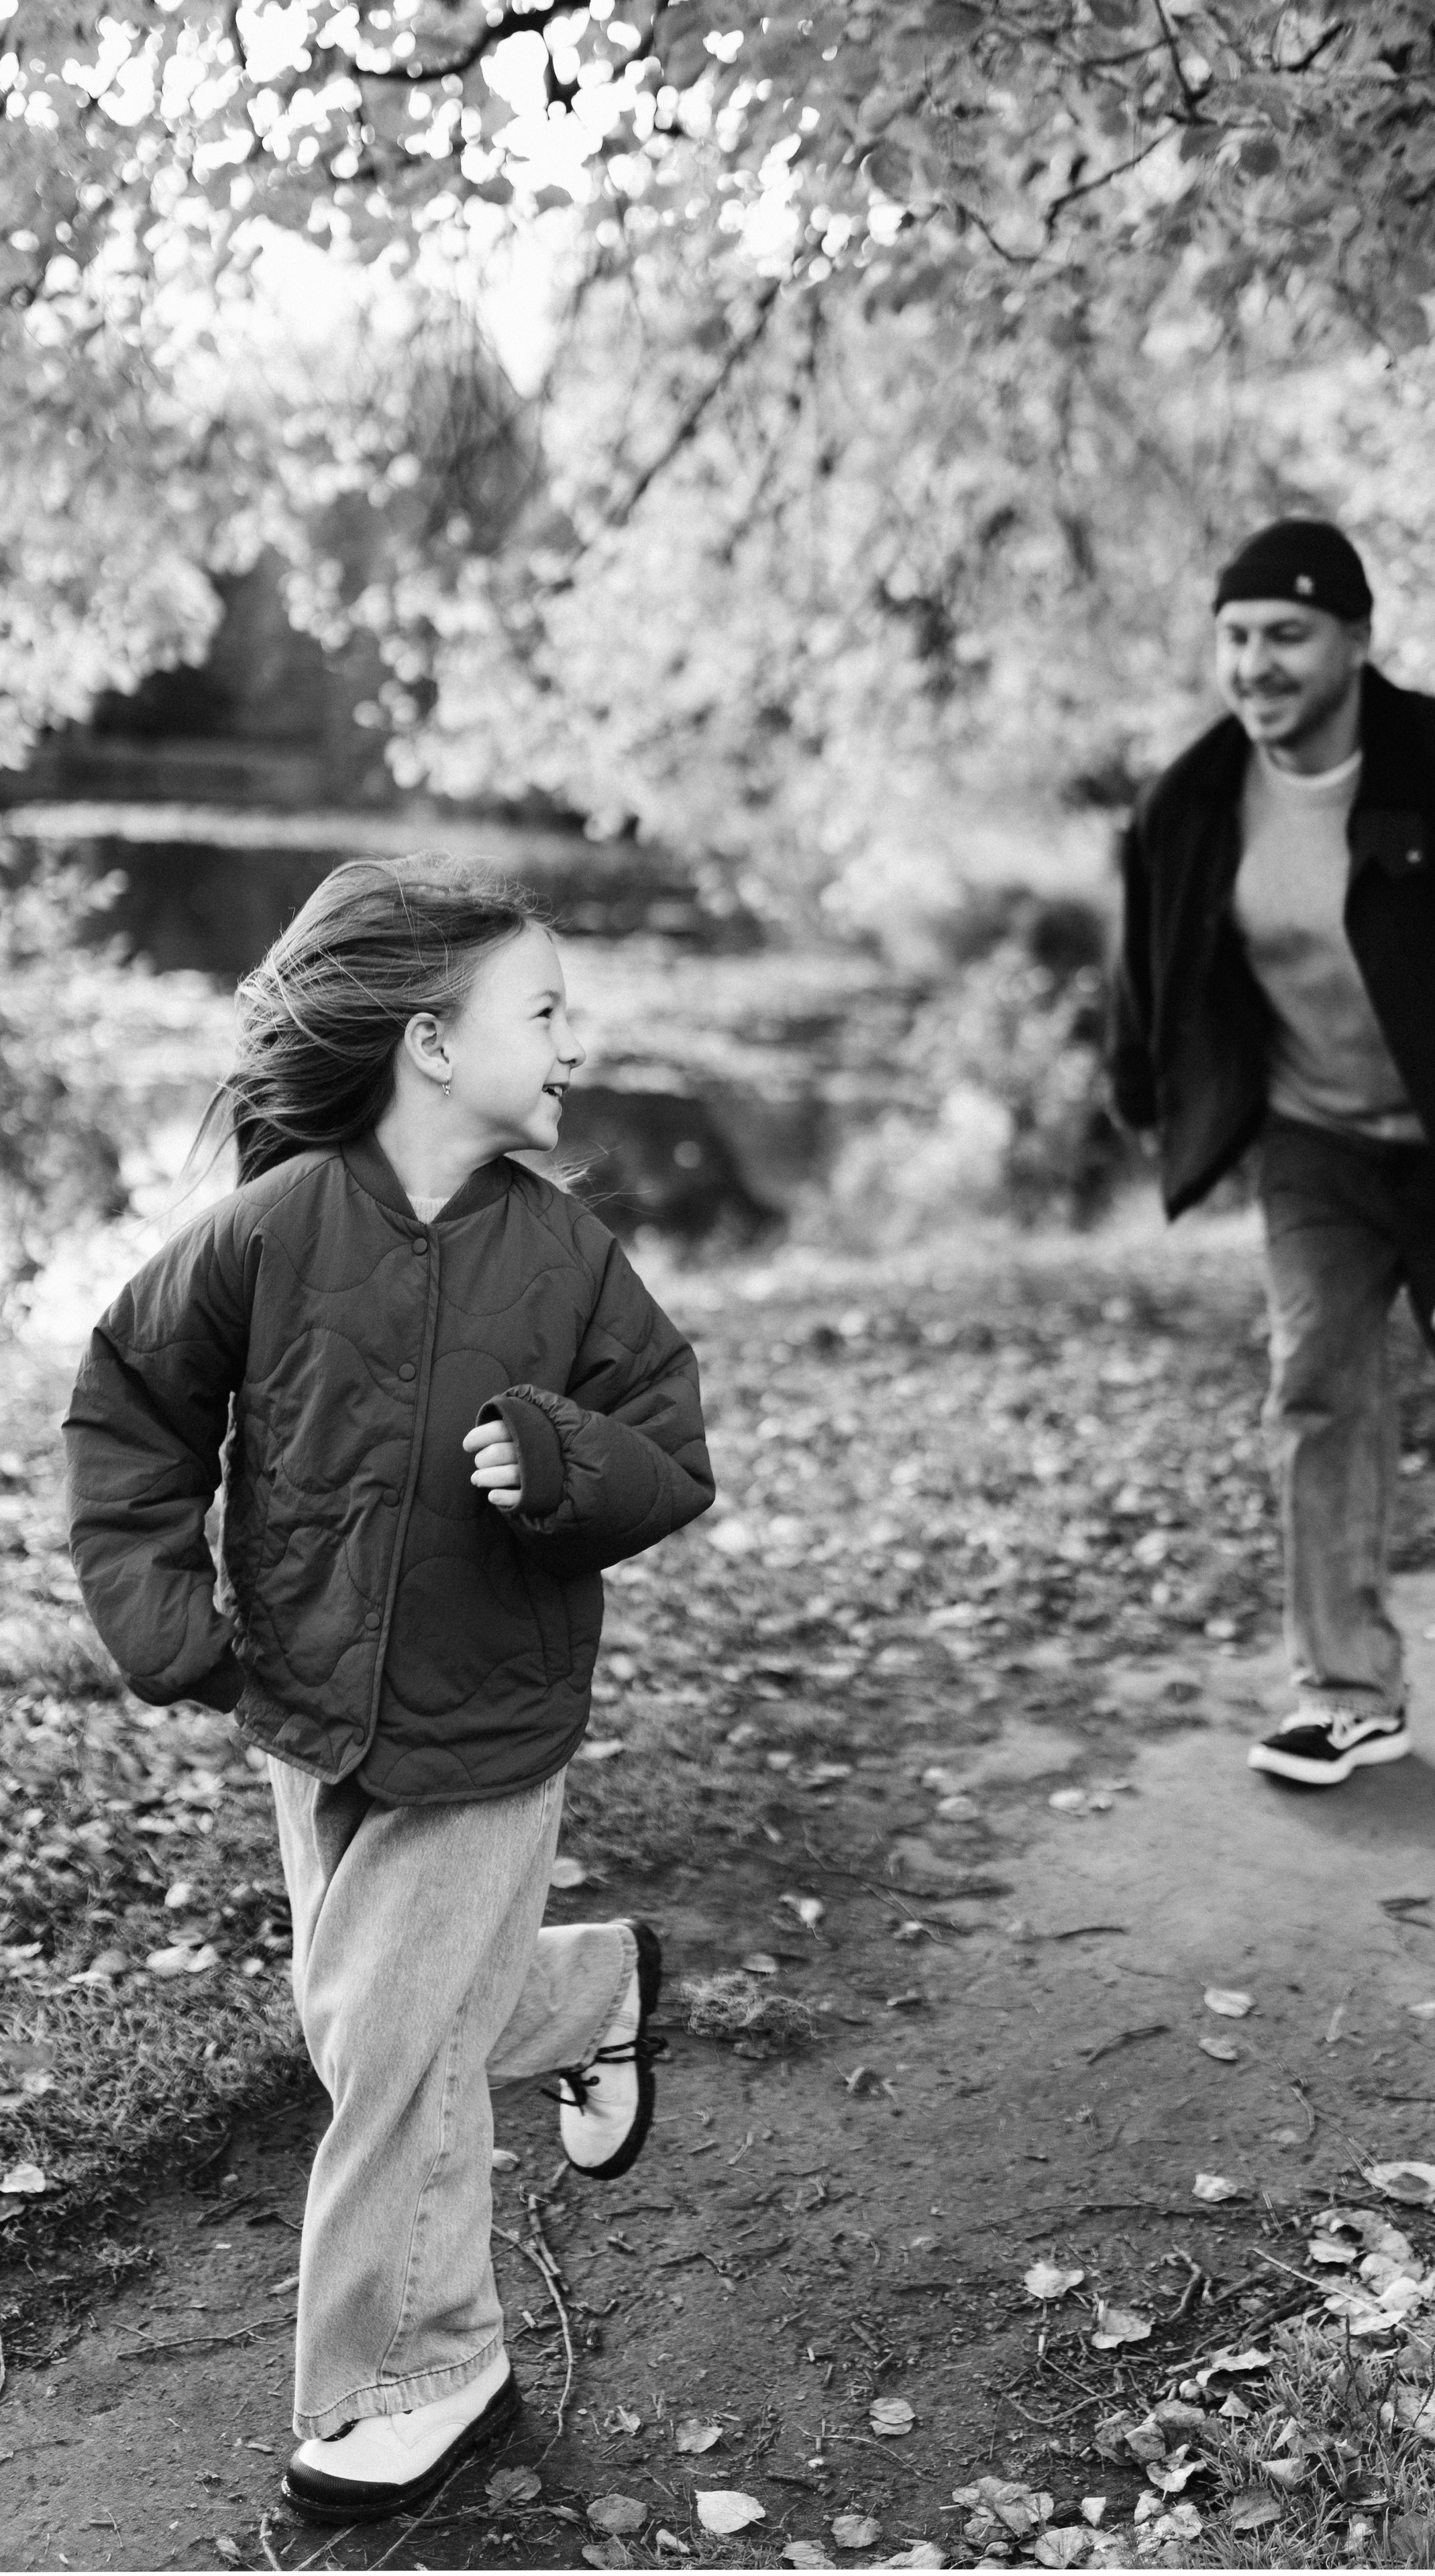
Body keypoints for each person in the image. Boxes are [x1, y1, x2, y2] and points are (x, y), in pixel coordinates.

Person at [62, 857, 715, 2519]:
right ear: (431, 1040)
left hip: (490, 1726)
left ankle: (428, 2370)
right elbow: (129, 1408)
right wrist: (169, 1615)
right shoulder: (272, 1231)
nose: (575, 1039)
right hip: (307, 1708)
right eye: (544, 1009)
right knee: (380, 2025)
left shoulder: (567, 1260)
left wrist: (569, 1464)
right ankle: (589, 1993)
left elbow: (670, 1453)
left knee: (383, 2042)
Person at [1108, 518, 1435, 1788]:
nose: (1256, 666)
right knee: (1319, 1379)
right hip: (1315, 1143)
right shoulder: (1191, 799)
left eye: (1286, 636)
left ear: (1355, 640)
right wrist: (1145, 1090)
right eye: (1235, 638)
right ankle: (1348, 1692)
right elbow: (1156, 958)